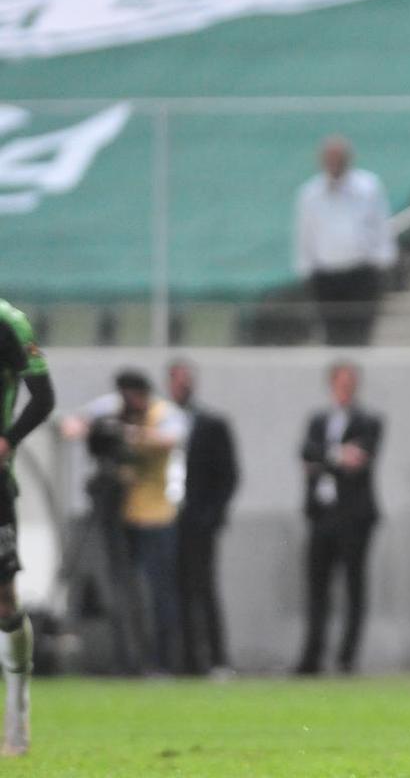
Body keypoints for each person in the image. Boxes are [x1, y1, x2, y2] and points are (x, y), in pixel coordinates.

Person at [63, 370, 188, 675]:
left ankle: (163, 661)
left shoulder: (164, 413)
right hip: (122, 511)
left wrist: (129, 434)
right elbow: (71, 426)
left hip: (157, 514)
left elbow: (171, 439)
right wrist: (97, 429)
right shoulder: (112, 408)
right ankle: (128, 660)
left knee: (159, 592)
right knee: (122, 589)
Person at [294, 361, 383, 675]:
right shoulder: (318, 420)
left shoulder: (368, 421)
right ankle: (312, 656)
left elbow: (359, 461)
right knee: (317, 588)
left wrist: (323, 459)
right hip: (322, 514)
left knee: (353, 587)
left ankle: (346, 658)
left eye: (350, 383)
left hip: (354, 517)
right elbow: (306, 453)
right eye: (341, 382)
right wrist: (337, 455)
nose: (346, 388)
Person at [0, 300, 54, 756]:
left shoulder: (9, 323)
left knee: (3, 600)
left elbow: (44, 398)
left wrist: (8, 440)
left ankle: (17, 715)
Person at [167, 360, 239, 677]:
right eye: (177, 380)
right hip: (165, 519)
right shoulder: (160, 421)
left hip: (199, 520)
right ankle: (186, 660)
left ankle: (217, 658)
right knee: (175, 591)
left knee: (204, 588)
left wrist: (212, 515)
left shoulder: (211, 424)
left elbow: (229, 475)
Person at [294, 135, 397, 346]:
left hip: (361, 271)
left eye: (338, 157)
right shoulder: (310, 193)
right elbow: (305, 232)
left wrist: (383, 259)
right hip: (325, 274)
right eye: (330, 158)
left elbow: (381, 224)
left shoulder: (368, 186)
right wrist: (305, 267)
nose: (334, 163)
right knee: (332, 334)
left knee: (360, 333)